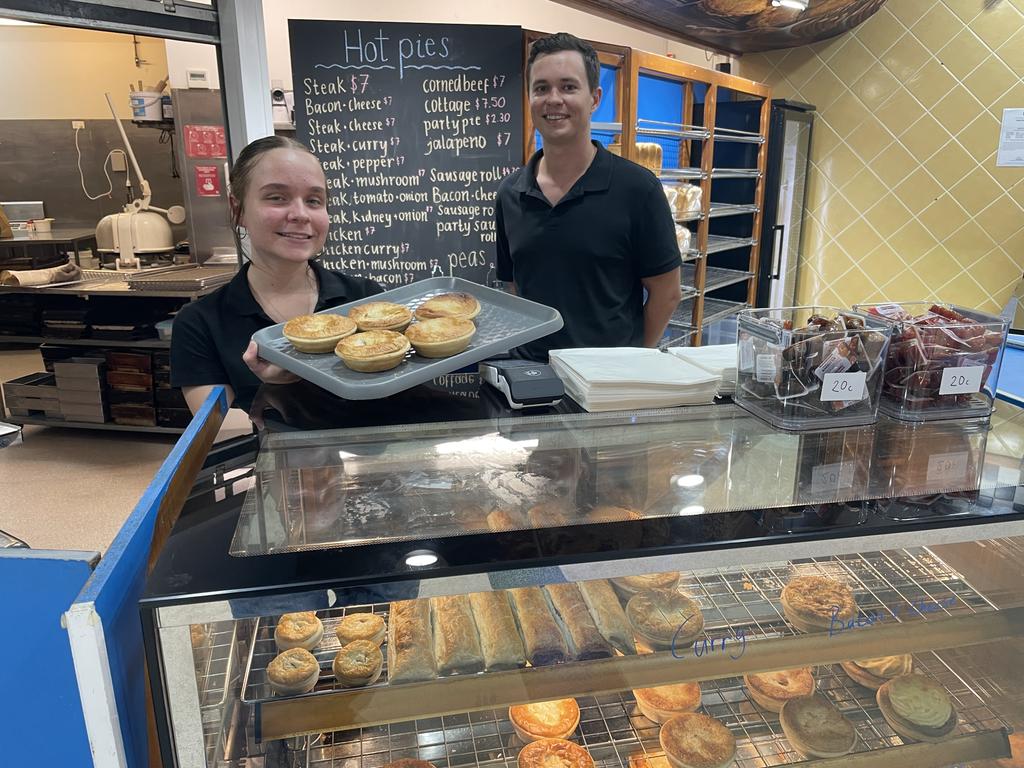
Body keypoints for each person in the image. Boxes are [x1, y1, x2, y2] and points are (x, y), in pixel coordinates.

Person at [495, 32, 682, 362]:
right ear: (529, 98)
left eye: (568, 87)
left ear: (594, 98)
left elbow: (666, 293)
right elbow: (515, 288)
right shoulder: (510, 194)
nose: (553, 99)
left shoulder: (638, 189)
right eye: (541, 88)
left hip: (608, 379)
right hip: (530, 374)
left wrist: (633, 360)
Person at [171, 135, 382, 413]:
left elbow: (395, 403)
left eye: (314, 200)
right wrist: (276, 390)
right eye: (277, 197)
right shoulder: (201, 323)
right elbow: (219, 430)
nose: (300, 214)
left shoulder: (365, 300)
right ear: (238, 210)